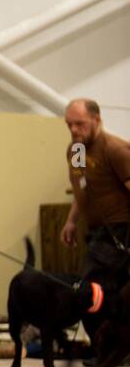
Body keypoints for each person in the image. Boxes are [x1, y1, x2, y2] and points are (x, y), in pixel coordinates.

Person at [60, 98, 130, 283]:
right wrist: (71, 221)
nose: (73, 130)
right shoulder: (77, 150)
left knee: (93, 288)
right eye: (69, 124)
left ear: (96, 120)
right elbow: (82, 186)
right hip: (94, 230)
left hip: (118, 229)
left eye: (79, 124)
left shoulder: (115, 150)